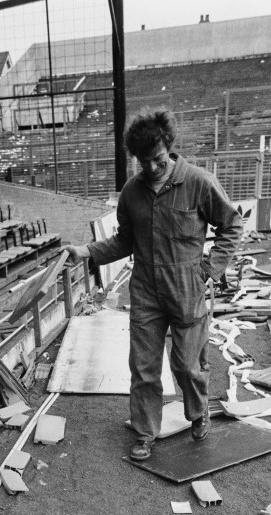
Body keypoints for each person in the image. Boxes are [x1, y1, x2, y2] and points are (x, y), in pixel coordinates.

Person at [66, 108, 243, 460]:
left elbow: (232, 226)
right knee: (144, 367)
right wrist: (86, 251)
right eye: (142, 162)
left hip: (187, 286)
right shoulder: (131, 192)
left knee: (187, 364)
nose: (150, 168)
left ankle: (198, 412)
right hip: (146, 288)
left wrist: (210, 268)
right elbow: (124, 240)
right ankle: (146, 431)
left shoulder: (199, 182)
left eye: (157, 159)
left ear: (169, 146)